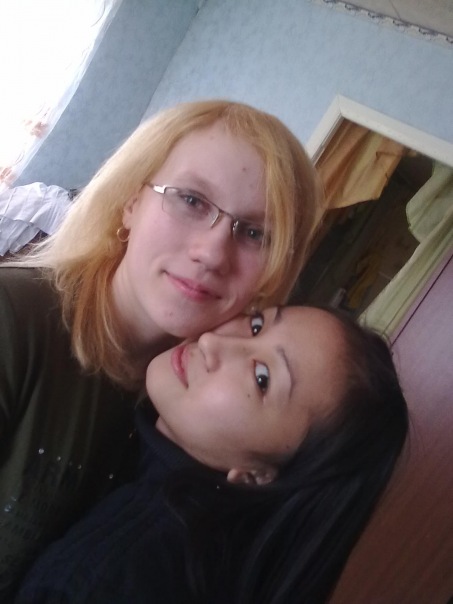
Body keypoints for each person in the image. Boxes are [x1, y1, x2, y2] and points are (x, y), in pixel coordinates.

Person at [0, 100, 324, 598]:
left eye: (254, 233)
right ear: (131, 201)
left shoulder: (199, 411)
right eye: (191, 200)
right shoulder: (12, 321)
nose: (212, 253)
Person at [15, 305, 409, 604]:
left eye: (262, 377)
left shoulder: (109, 573)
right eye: (257, 324)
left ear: (258, 475)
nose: (212, 343)